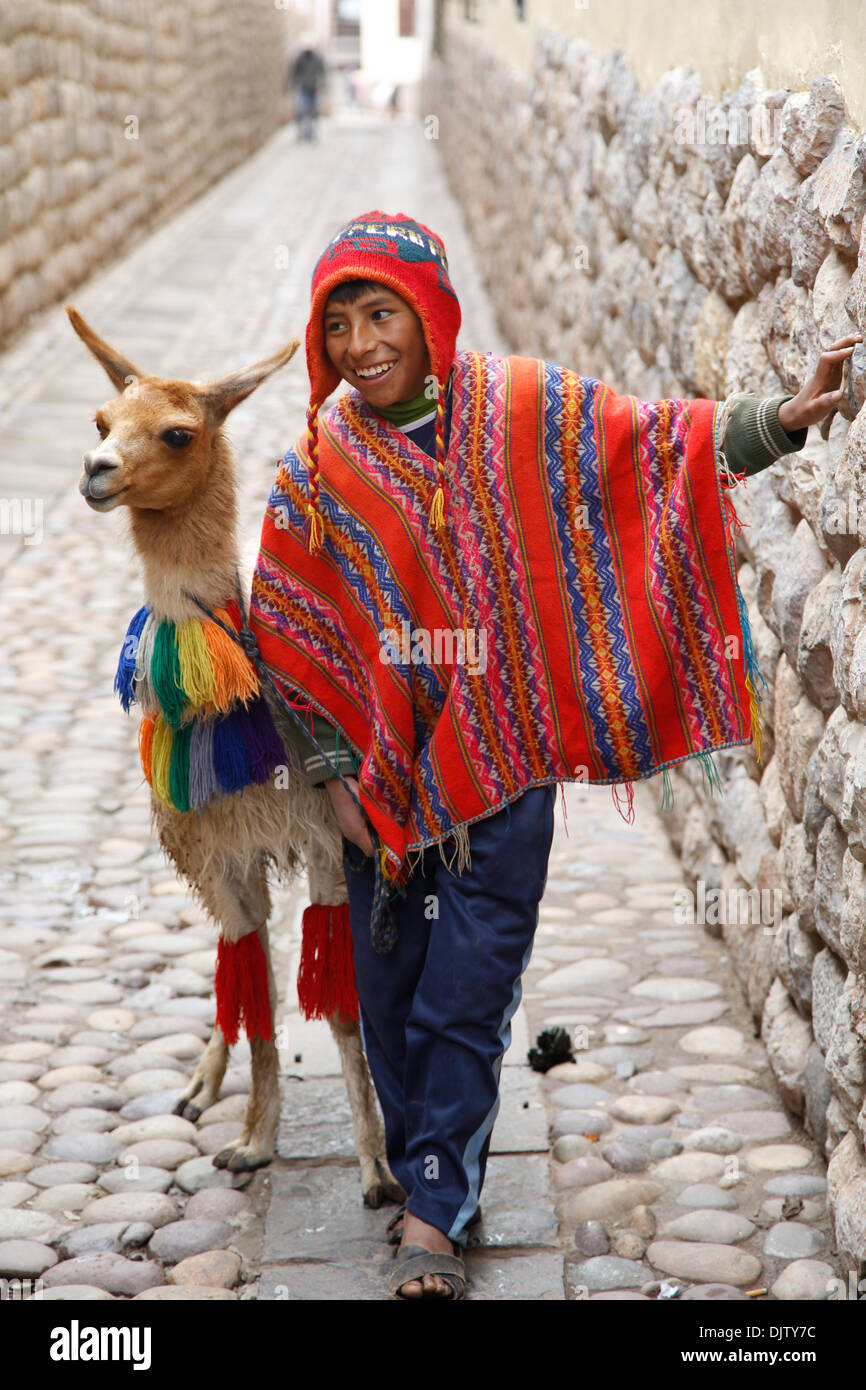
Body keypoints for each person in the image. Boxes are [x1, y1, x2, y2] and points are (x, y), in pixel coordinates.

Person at [249, 210, 860, 1299]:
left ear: (427, 314)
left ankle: (435, 1208)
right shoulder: (319, 472)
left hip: (503, 770)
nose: (357, 344)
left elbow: (649, 445)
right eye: (336, 321)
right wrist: (335, 781)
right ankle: (428, 1149)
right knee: (390, 998)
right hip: (380, 802)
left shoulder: (521, 410)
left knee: (464, 996)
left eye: (378, 312)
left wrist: (777, 420)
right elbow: (288, 633)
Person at [287, 45, 327, 142]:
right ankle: (301, 132)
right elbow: (294, 73)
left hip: (313, 87)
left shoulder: (317, 58)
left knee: (312, 111)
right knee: (301, 110)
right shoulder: (300, 59)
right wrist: (292, 84)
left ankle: (311, 133)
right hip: (303, 87)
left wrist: (323, 83)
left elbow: (321, 71)